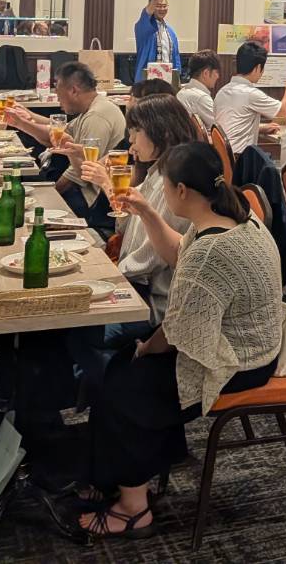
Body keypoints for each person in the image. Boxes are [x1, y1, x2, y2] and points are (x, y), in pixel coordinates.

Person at [75, 142, 281, 539]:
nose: (161, 193)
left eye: (164, 187)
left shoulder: (211, 251)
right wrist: (147, 212)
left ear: (182, 191)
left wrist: (144, 349)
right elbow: (178, 253)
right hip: (253, 342)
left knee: (124, 384)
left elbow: (177, 333)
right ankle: (128, 472)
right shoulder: (235, 216)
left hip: (240, 361)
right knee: (122, 366)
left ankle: (134, 508)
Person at [73, 94, 199, 389]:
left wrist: (107, 273)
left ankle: (120, 387)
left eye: (136, 131)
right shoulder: (155, 172)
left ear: (162, 132)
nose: (130, 142)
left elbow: (151, 258)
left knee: (75, 329)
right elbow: (125, 223)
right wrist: (109, 185)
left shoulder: (175, 183)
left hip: (152, 301)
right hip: (136, 285)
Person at [6, 63, 127, 231]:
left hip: (93, 200)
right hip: (84, 190)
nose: (57, 99)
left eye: (58, 92)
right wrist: (23, 121)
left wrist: (51, 193)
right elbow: (57, 133)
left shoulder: (96, 116)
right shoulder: (93, 107)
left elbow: (78, 174)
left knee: (28, 208)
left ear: (73, 90)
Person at [213, 41, 286, 153]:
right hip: (240, 158)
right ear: (258, 67)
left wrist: (261, 128)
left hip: (222, 156)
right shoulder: (250, 93)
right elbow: (283, 113)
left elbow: (231, 127)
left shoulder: (222, 91)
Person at [133, 0, 180, 83]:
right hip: (147, 82)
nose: (162, 9)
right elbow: (146, 13)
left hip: (167, 82)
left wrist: (177, 79)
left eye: (164, 6)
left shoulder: (171, 32)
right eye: (158, 6)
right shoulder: (144, 27)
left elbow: (176, 58)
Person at [177, 50, 222, 132]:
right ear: (206, 73)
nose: (218, 76)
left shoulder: (182, 92)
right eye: (216, 72)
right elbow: (219, 128)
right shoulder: (201, 97)